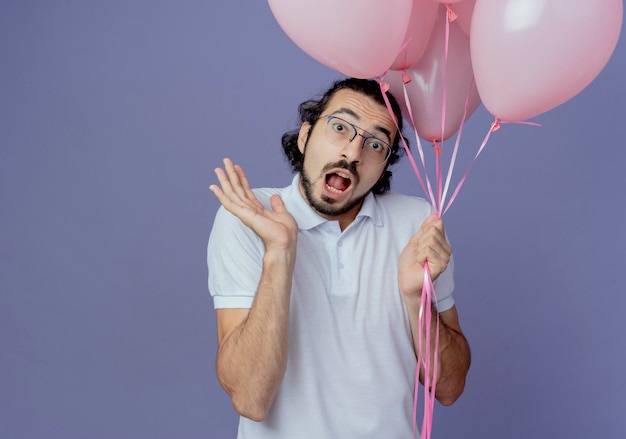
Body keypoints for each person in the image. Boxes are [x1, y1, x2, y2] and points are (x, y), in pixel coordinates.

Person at [207, 78, 471, 438]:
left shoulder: (417, 223)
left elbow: (450, 387)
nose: (352, 153)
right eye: (340, 127)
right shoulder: (250, 217)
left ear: (384, 166)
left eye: (375, 144)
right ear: (305, 136)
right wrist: (280, 256)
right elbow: (251, 399)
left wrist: (416, 300)